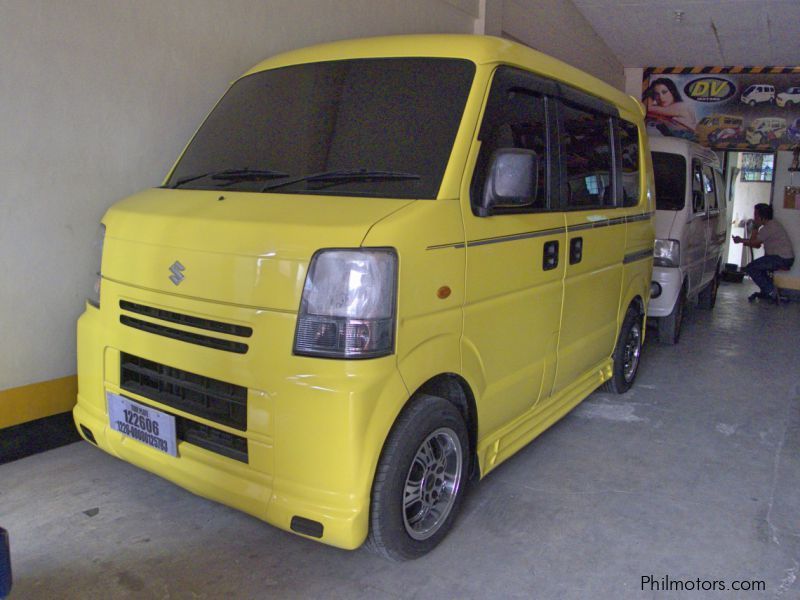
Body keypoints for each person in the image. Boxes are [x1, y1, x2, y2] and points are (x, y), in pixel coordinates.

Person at [732, 203, 795, 302]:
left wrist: (741, 240)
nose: (754, 217)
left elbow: (754, 242)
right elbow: (756, 245)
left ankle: (771, 292)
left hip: (781, 259)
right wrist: (755, 228)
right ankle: (768, 290)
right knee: (757, 267)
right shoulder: (769, 226)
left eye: (756, 215)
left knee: (751, 268)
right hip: (780, 258)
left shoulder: (770, 227)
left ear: (762, 216)